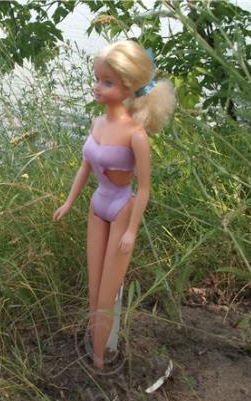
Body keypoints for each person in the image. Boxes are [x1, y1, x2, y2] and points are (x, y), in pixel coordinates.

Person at [53, 41, 176, 369]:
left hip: (122, 208)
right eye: (97, 79)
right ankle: (95, 348)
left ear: (128, 88)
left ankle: (99, 361)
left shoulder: (136, 135)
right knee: (94, 288)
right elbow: (85, 167)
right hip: (97, 204)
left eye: (107, 82)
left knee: (107, 293)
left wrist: (132, 230)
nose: (97, 86)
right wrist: (68, 202)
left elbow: (144, 188)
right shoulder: (97, 123)